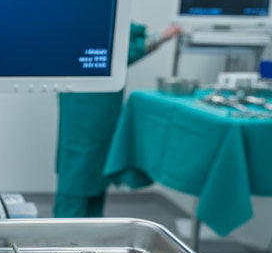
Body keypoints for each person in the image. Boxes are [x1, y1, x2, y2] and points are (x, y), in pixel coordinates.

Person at [54, 21, 181, 217]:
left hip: (102, 105)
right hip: (84, 103)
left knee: (97, 171)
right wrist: (160, 37)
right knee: (76, 174)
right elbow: (117, 53)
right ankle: (65, 232)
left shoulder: (109, 13)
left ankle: (91, 231)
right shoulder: (82, 19)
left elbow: (126, 35)